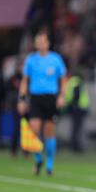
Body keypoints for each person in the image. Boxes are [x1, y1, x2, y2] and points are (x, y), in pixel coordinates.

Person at [18, 31, 67, 176]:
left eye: (42, 41)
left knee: (49, 131)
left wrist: (61, 96)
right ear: (35, 44)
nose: (40, 44)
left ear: (48, 43)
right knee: (34, 128)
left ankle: (50, 163)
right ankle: (38, 159)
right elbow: (25, 81)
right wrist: (21, 99)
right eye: (37, 41)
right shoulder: (31, 60)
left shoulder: (55, 59)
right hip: (36, 97)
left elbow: (63, 79)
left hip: (51, 97)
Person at [65, 72, 89, 153]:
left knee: (76, 128)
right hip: (81, 107)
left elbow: (76, 94)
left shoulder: (73, 81)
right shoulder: (76, 81)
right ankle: (75, 145)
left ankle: (75, 145)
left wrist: (73, 105)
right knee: (77, 128)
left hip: (78, 108)